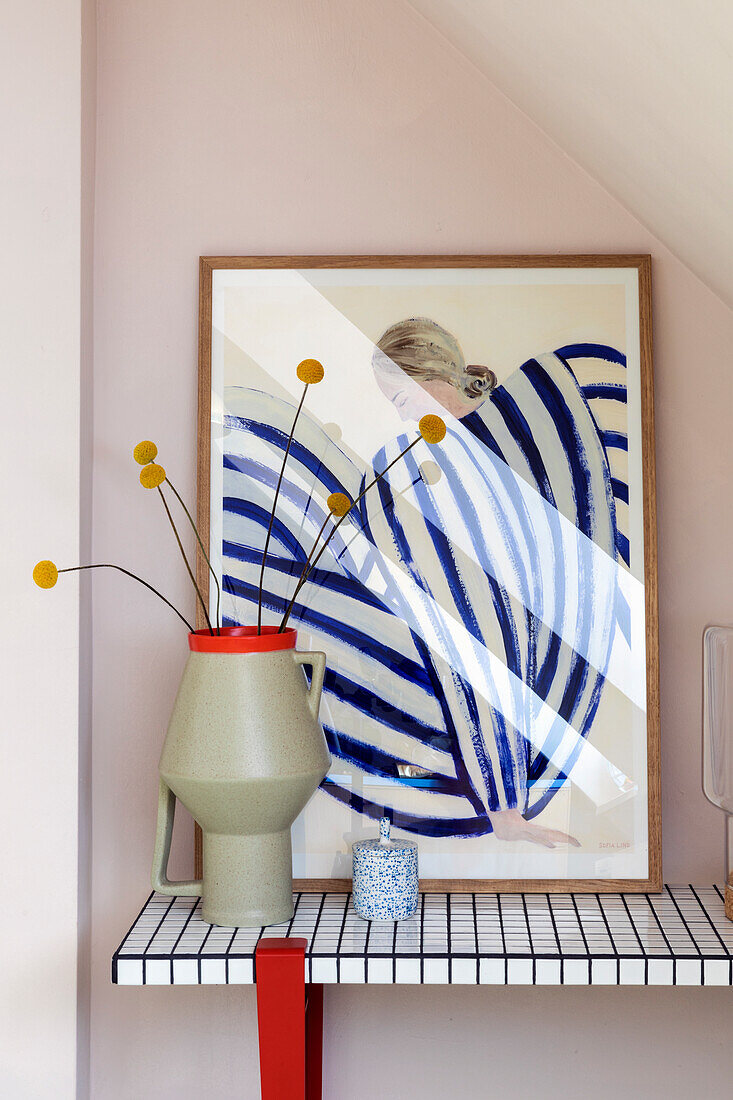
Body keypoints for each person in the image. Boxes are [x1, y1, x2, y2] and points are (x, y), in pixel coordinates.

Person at [221, 318, 630, 848]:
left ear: (427, 374)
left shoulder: (489, 444)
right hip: (454, 657)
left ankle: (521, 805)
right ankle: (505, 804)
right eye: (392, 403)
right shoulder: (415, 464)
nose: (400, 411)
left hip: (531, 653)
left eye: (398, 396)